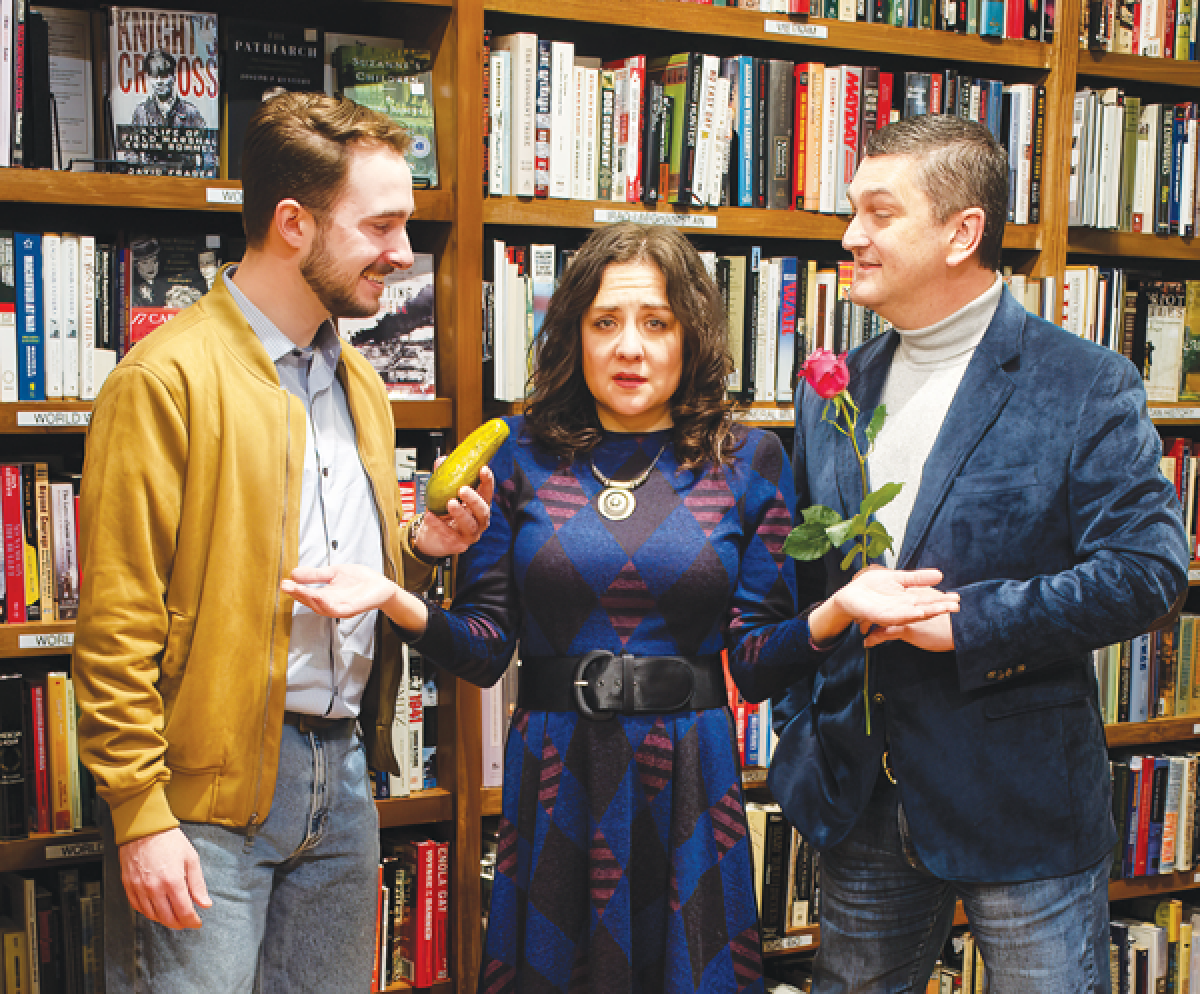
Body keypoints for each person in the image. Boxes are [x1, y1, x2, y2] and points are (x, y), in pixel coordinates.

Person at [284, 222, 961, 994]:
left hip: (692, 777)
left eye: (656, 323)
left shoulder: (748, 459)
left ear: (690, 336)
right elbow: (483, 648)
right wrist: (395, 598)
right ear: (575, 334)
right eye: (605, 322)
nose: (629, 347)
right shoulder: (515, 452)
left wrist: (836, 610)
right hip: (558, 774)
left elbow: (754, 661)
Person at [73, 92, 492, 994]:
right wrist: (141, 815)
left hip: (342, 776)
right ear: (293, 224)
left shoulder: (361, 383)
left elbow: (327, 576)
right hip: (203, 800)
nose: (404, 255)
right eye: (380, 225)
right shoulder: (165, 381)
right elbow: (115, 623)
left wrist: (420, 548)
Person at [769, 115, 1190, 993]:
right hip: (858, 799)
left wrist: (967, 623)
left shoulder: (1084, 383)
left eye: (880, 213)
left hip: (1021, 807)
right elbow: (804, 582)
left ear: (962, 233)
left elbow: (1148, 571)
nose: (850, 237)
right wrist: (801, 728)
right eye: (852, 210)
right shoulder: (833, 389)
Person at [131, 49, 207, 128]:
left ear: (173, 77)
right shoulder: (141, 112)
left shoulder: (191, 113)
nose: (159, 82)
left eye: (164, 76)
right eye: (154, 76)